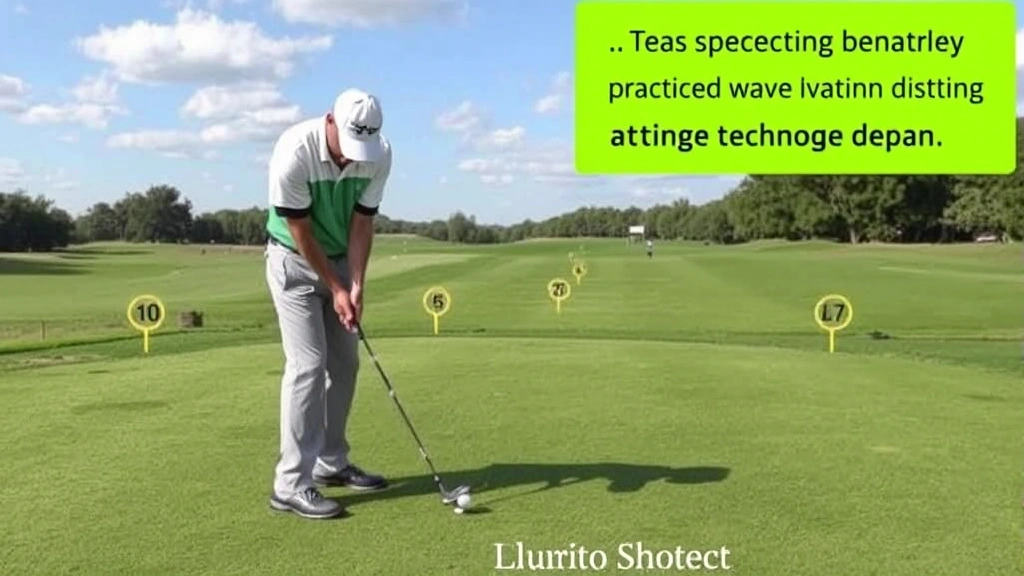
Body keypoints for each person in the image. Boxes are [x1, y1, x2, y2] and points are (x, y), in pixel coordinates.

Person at [263, 88, 393, 519]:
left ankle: (331, 463)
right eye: (347, 145)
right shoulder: (293, 151)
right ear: (330, 122)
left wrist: (355, 284)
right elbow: (299, 231)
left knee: (346, 364)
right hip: (293, 263)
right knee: (308, 365)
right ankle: (290, 484)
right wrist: (335, 286)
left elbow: (362, 224)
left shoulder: (378, 154)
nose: (351, 157)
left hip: (340, 259)